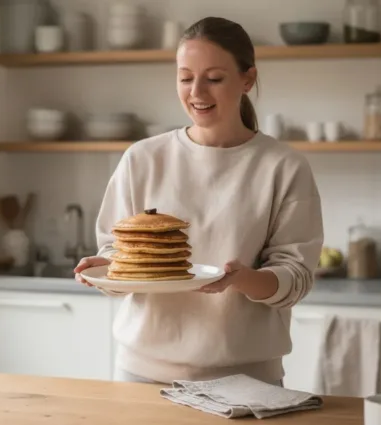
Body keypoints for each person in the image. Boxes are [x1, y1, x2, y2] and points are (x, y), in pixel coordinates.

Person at [74, 16, 324, 386]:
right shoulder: (142, 159)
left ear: (247, 80)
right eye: (186, 77)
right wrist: (105, 270)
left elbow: (296, 278)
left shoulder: (283, 167)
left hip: (247, 380)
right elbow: (118, 254)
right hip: (142, 374)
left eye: (214, 78)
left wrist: (243, 279)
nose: (197, 93)